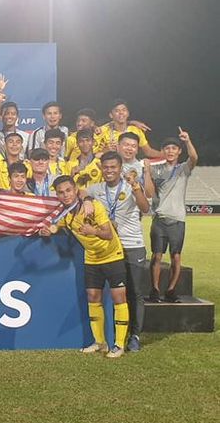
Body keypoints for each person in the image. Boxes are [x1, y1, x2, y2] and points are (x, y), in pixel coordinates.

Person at [40, 175, 128, 358]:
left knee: (118, 297)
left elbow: (108, 234)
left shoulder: (93, 206)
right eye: (61, 193)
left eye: (68, 191)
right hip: (92, 259)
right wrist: (50, 230)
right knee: (93, 296)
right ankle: (100, 342)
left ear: (75, 190)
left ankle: (119, 345)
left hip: (113, 256)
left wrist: (92, 230)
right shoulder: (67, 213)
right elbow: (59, 225)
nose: (65, 195)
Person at [86, 151, 150, 352]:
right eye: (106, 167)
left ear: (120, 168)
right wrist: (87, 199)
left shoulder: (131, 187)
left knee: (135, 293)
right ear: (101, 169)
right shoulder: (96, 189)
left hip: (131, 245)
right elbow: (82, 194)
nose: (109, 171)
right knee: (115, 294)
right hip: (108, 248)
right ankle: (112, 337)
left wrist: (136, 186)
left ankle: (135, 336)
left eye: (113, 167)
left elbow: (145, 207)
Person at [148, 128, 198, 303]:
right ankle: (154, 290)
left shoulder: (183, 169)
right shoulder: (155, 170)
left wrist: (187, 140)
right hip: (159, 219)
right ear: (163, 151)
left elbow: (194, 158)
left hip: (177, 219)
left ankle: (170, 290)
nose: (170, 151)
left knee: (175, 256)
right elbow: (149, 189)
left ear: (179, 152)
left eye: (173, 148)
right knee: (156, 255)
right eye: (167, 148)